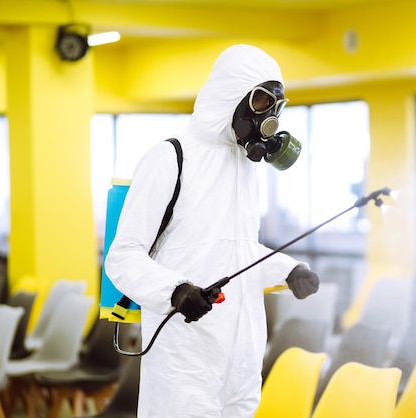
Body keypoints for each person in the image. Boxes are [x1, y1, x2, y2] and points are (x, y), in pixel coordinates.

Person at [105, 44, 320, 417]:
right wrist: (174, 291)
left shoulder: (245, 169)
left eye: (277, 106)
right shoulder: (171, 158)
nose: (269, 116)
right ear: (230, 94)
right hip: (185, 362)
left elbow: (239, 251)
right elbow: (123, 256)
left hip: (242, 360)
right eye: (261, 102)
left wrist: (287, 269)